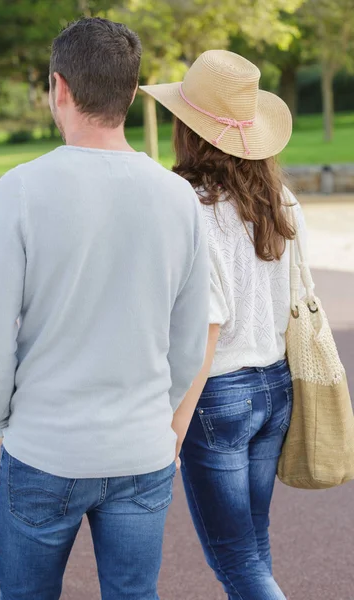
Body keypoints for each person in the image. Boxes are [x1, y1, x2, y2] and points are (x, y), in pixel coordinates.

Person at [0, 18, 210, 600]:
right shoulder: (178, 197)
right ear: (132, 93)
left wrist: (6, 419)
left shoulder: (21, 190)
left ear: (60, 88)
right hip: (140, 445)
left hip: (45, 442)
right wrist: (159, 415)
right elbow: (189, 340)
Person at [141, 49, 306, 600]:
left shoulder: (188, 204)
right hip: (275, 388)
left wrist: (173, 429)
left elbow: (207, 327)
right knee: (253, 549)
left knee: (238, 562)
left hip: (219, 395)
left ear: (189, 130)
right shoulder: (279, 200)